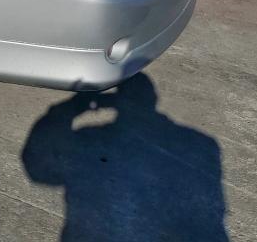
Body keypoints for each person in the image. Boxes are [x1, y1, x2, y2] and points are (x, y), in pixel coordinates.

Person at [21, 73, 229, 241]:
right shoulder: (200, 144)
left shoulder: (90, 141)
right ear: (153, 101)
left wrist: (72, 106)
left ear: (116, 102)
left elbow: (36, 165)